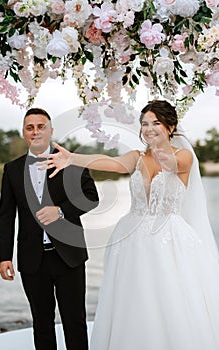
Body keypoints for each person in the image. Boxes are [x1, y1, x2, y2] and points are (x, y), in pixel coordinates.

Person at [38, 100, 219, 350]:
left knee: (171, 297)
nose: (149, 128)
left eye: (156, 123)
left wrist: (160, 151)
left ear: (171, 127)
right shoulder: (136, 157)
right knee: (133, 300)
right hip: (132, 240)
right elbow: (110, 162)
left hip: (169, 238)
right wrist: (72, 159)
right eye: (145, 124)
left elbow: (174, 166)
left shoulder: (184, 156)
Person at [0, 108, 99, 350]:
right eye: (30, 127)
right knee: (41, 324)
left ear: (51, 130)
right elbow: (6, 215)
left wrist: (60, 211)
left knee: (75, 322)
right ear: (24, 133)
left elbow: (91, 197)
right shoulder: (11, 170)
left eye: (41, 126)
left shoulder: (70, 161)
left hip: (69, 256)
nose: (35, 131)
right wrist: (4, 257)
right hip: (32, 260)